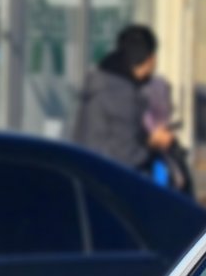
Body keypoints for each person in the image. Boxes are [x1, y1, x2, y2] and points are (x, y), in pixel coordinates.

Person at [71, 25, 175, 172]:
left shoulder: (98, 79)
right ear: (151, 59)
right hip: (103, 179)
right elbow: (126, 157)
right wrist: (153, 144)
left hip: (84, 172)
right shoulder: (121, 93)